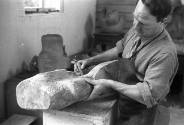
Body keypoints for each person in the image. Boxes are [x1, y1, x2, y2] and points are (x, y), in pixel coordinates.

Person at [74, 0, 178, 124]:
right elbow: (118, 49)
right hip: (124, 104)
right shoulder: (136, 30)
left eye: (144, 23)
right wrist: (90, 60)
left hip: (143, 113)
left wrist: (109, 84)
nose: (135, 26)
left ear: (164, 21)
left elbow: (147, 95)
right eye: (135, 18)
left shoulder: (164, 53)